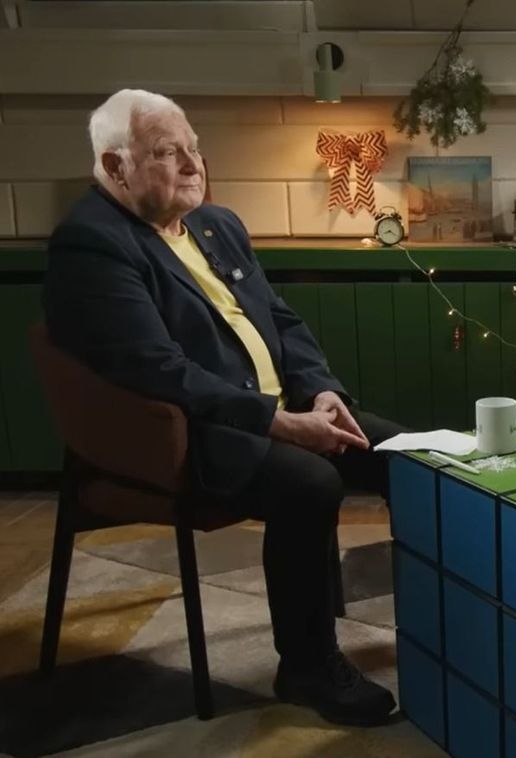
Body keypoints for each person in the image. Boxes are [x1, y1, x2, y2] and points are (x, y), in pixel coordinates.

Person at [42, 89, 403, 726]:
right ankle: (307, 667)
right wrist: (276, 422)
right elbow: (159, 370)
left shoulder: (217, 225)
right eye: (168, 152)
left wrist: (323, 391)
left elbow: (282, 322)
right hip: (194, 433)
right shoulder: (92, 245)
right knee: (310, 482)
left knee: (412, 457)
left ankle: (445, 627)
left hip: (283, 406)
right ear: (116, 166)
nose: (193, 165)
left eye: (194, 148)